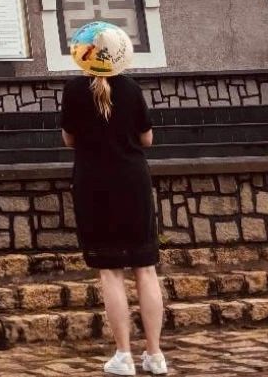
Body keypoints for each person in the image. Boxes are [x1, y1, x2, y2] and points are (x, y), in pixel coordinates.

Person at [60, 22, 167, 376]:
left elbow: (69, 140)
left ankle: (123, 354)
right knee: (145, 268)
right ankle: (154, 354)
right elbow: (146, 138)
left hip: (95, 184)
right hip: (132, 181)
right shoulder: (132, 89)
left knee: (110, 271)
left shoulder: (75, 91)